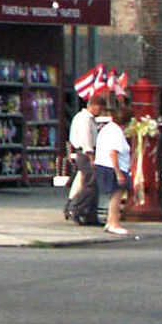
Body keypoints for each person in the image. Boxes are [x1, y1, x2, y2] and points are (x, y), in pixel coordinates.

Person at [93, 99, 134, 236]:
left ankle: (110, 223)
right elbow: (113, 153)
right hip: (112, 167)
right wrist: (119, 174)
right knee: (116, 196)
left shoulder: (107, 128)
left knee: (114, 197)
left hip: (103, 165)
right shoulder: (116, 131)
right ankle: (114, 224)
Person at [65, 92, 106, 226]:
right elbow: (86, 139)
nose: (100, 112)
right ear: (93, 106)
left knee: (94, 185)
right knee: (90, 184)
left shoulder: (89, 119)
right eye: (100, 108)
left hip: (87, 153)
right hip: (85, 154)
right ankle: (75, 209)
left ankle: (90, 215)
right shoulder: (84, 119)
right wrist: (91, 157)